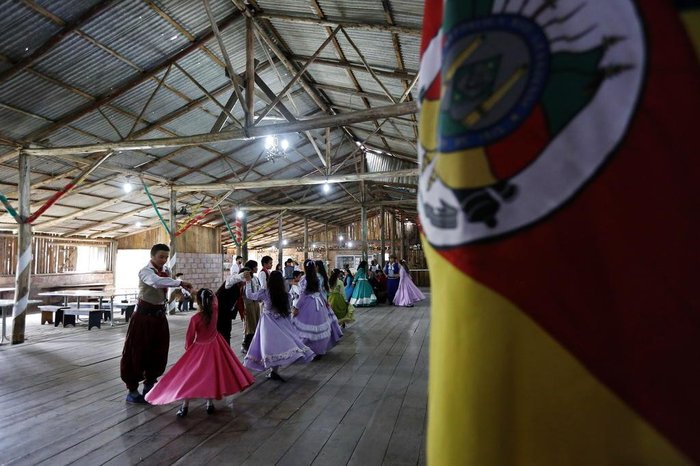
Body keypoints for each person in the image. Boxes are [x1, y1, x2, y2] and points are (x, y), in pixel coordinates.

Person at [145, 288, 255, 417]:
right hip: (215, 346)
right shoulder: (215, 311)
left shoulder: (195, 318)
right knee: (211, 375)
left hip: (199, 348)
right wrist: (203, 293)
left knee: (189, 377)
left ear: (199, 302)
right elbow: (214, 297)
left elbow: (189, 339)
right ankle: (209, 404)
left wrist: (189, 351)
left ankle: (184, 406)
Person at [120, 244, 193, 404]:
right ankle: (132, 390)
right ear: (152, 256)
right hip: (142, 318)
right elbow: (156, 282)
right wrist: (179, 282)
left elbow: (168, 284)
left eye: (166, 257)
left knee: (158, 351)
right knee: (136, 352)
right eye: (161, 256)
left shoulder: (166, 271)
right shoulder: (145, 272)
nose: (164, 260)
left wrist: (186, 291)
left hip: (159, 317)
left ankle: (150, 385)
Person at [243, 271, 315, 381]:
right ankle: (274, 371)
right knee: (279, 346)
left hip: (267, 323)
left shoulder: (265, 293)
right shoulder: (286, 295)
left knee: (268, 347)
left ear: (269, 281)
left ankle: (273, 371)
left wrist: (248, 282)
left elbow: (249, 295)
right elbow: (288, 309)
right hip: (282, 322)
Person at [292, 260, 334, 357]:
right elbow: (321, 292)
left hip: (308, 305)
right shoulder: (317, 278)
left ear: (305, 268)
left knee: (306, 330)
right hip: (319, 305)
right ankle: (318, 350)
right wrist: (326, 302)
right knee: (318, 329)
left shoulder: (303, 279)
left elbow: (303, 295)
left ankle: (307, 351)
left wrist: (297, 307)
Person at [215, 268, 248, 345]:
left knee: (227, 332)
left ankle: (226, 352)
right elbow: (232, 279)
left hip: (227, 313)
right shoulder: (230, 283)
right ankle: (220, 351)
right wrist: (242, 275)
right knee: (221, 332)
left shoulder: (240, 286)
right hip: (220, 311)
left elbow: (238, 301)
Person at [241, 260, 261, 353]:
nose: (257, 268)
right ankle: (245, 345)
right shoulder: (245, 279)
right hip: (248, 303)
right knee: (249, 325)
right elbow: (244, 293)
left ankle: (253, 344)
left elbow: (258, 288)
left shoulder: (256, 278)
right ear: (252, 268)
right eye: (256, 267)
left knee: (256, 323)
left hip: (256, 303)